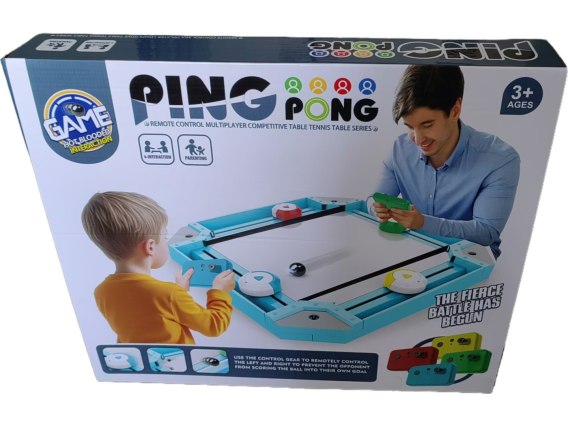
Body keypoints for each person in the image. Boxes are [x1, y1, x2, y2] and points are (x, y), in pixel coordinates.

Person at [372, 65, 520, 258]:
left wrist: (422, 223)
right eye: (409, 127)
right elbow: (373, 200)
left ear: (455, 110)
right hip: (411, 251)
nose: (418, 139)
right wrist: (377, 209)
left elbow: (486, 233)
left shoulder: (500, 159)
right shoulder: (399, 149)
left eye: (427, 125)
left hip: (469, 260)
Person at [81, 191, 234, 344]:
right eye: (164, 237)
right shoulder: (169, 294)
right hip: (179, 359)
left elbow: (147, 316)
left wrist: (179, 291)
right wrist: (220, 292)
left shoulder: (102, 292)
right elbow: (214, 326)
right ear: (150, 247)